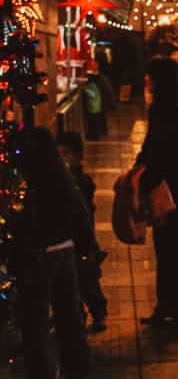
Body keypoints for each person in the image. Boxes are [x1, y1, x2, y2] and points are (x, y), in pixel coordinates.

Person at [12, 127, 93, 378]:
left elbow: (27, 226)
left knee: (36, 325)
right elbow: (81, 215)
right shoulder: (63, 178)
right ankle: (78, 368)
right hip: (65, 251)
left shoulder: (31, 185)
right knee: (69, 317)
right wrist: (86, 248)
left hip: (41, 256)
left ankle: (44, 372)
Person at [137, 56, 178, 332]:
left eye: (150, 77)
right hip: (169, 186)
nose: (147, 82)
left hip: (172, 189)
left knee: (176, 248)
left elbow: (168, 152)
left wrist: (148, 174)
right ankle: (167, 306)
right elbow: (152, 145)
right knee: (166, 248)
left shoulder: (171, 110)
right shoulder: (169, 107)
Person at [58, 132, 108, 334]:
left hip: (83, 242)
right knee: (71, 284)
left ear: (78, 156)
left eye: (66, 154)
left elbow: (83, 214)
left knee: (87, 282)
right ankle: (77, 317)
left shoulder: (82, 182)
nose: (63, 159)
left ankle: (99, 312)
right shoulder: (59, 180)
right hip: (67, 240)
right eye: (59, 154)